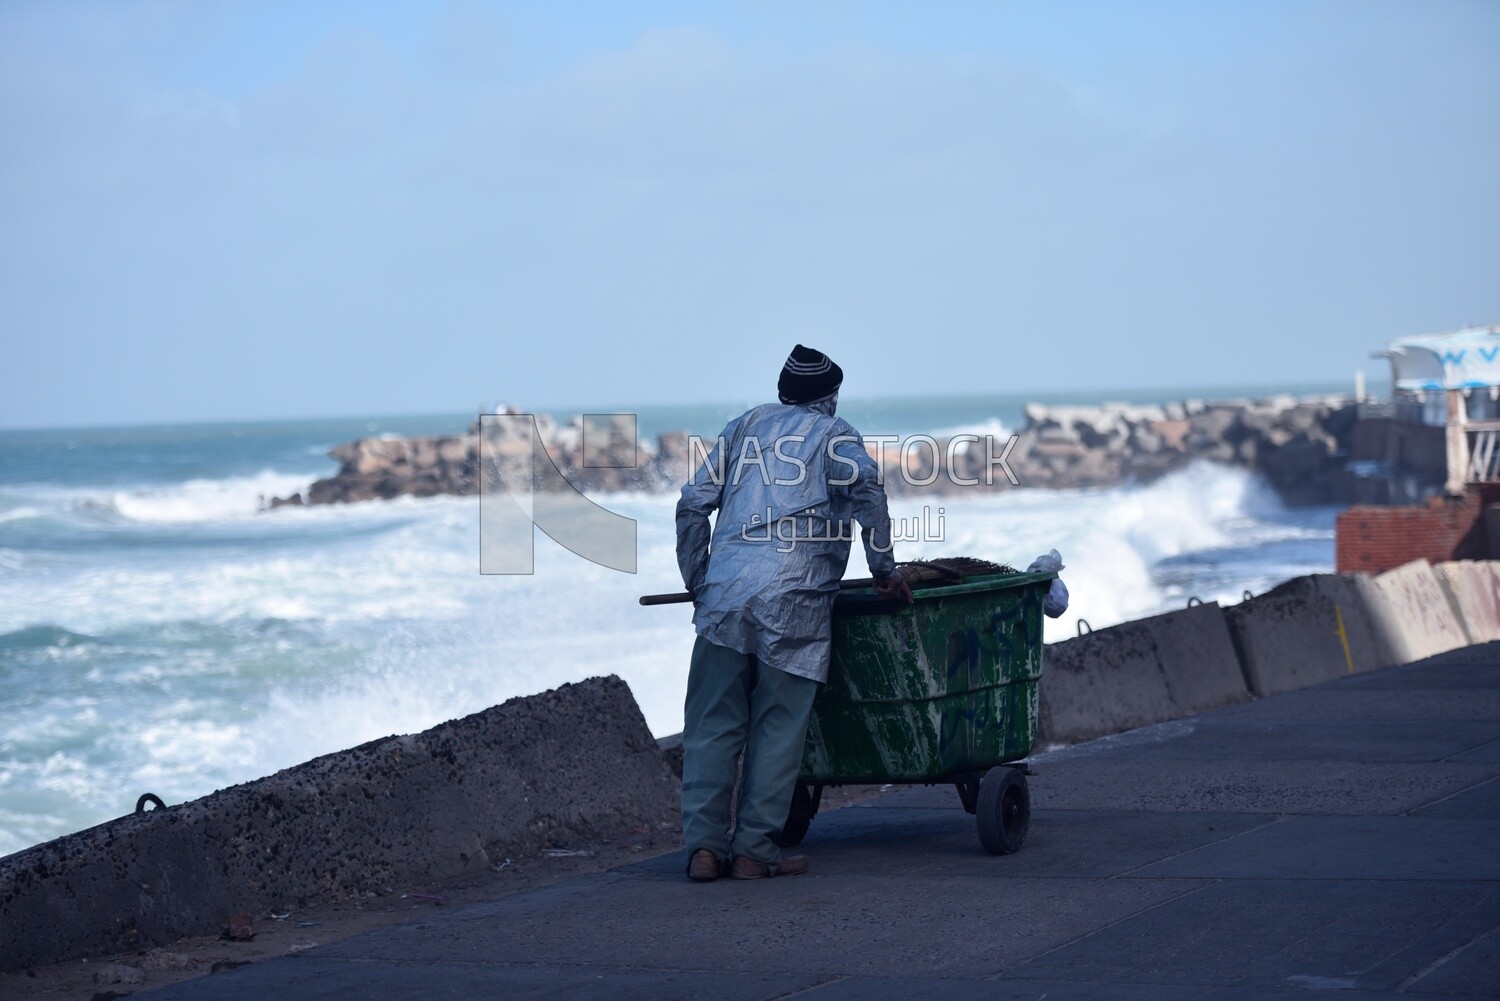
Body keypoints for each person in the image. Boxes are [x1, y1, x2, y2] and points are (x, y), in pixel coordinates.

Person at [675, 344, 911, 882]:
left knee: (712, 724)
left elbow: (692, 504)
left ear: (783, 392)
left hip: (725, 598)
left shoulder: (742, 428)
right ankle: (756, 850)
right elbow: (868, 492)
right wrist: (885, 570)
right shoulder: (835, 435)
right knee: (778, 725)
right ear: (827, 398)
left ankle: (704, 851)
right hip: (797, 602)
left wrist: (699, 582)